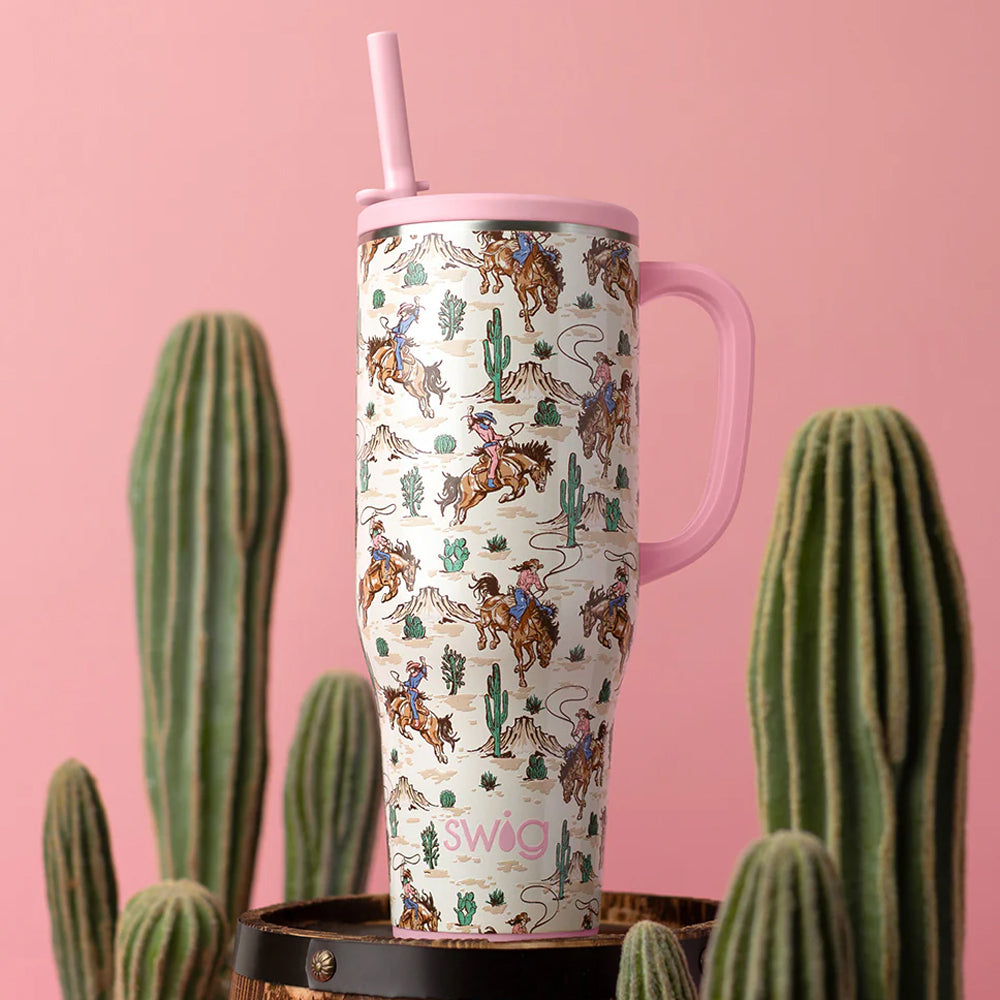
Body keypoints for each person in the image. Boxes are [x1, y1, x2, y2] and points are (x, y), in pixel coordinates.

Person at [467, 408, 504, 488]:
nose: (489, 422)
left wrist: (503, 437)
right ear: (483, 419)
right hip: (489, 446)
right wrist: (469, 414)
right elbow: (472, 423)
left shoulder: (490, 428)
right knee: (495, 459)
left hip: (496, 445)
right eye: (487, 420)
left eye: (490, 420)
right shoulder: (478, 427)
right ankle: (490, 479)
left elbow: (494, 436)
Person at [510, 558, 550, 623]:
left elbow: (538, 585)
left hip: (528, 592)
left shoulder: (535, 575)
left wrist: (542, 588)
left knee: (537, 605)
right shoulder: (524, 573)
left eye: (535, 567)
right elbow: (521, 585)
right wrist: (529, 593)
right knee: (523, 605)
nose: (533, 568)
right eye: (532, 566)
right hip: (519, 591)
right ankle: (515, 618)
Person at [390, 298, 421, 373]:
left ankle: (400, 369)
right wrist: (391, 330)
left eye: (402, 312)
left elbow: (416, 313)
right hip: (396, 337)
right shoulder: (402, 319)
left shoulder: (410, 318)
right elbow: (398, 328)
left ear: (406, 311)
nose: (401, 313)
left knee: (397, 351)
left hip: (402, 339)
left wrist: (417, 305)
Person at [404, 656, 428, 725]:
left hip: (414, 692)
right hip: (409, 691)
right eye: (409, 669)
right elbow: (409, 683)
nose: (410, 670)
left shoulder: (418, 675)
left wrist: (423, 663)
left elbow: (423, 671)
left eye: (411, 669)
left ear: (414, 668)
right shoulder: (411, 675)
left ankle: (416, 718)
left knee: (412, 702)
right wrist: (404, 683)